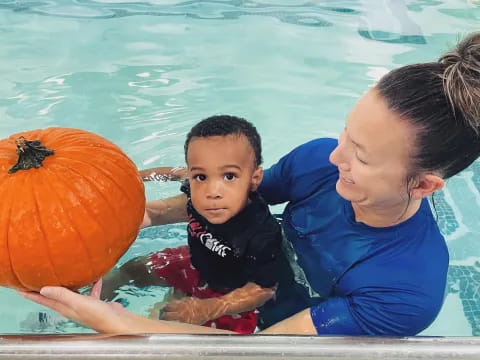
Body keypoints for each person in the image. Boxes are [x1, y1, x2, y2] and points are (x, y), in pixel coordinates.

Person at [19, 32, 480, 336]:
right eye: (346, 133)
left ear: (423, 186)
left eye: (360, 155)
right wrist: (142, 214)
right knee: (138, 268)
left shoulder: (405, 289)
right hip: (247, 262)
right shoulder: (320, 160)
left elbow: (268, 349)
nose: (335, 155)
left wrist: (124, 326)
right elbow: (237, 195)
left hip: (272, 319)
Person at [100, 115, 283, 334]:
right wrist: (133, 177)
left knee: (172, 332)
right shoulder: (196, 187)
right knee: (131, 270)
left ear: (254, 178)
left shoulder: (260, 232)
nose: (212, 191)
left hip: (228, 295)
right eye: (201, 177)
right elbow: (174, 173)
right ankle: (75, 311)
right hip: (194, 265)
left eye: (229, 176)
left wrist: (208, 308)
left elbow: (263, 289)